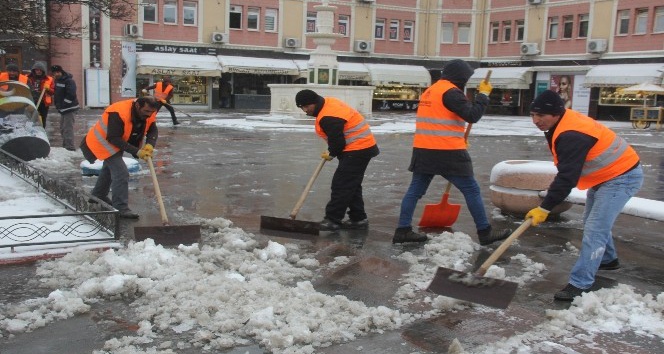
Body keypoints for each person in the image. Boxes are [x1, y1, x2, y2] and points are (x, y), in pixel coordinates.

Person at [525, 90, 643, 301]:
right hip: (605, 175)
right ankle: (608, 260)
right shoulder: (560, 123)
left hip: (621, 177)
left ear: (556, 113)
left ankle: (580, 283)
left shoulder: (572, 134)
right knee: (593, 222)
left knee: (595, 228)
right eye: (533, 115)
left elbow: (567, 178)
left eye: (541, 115)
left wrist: (545, 208)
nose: (536, 120)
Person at [393, 59, 512, 245]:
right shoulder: (451, 92)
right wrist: (483, 95)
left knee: (415, 191)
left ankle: (403, 230)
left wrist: (457, 134)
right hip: (447, 151)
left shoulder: (431, 91)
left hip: (424, 149)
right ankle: (484, 232)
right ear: (460, 77)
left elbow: (439, 119)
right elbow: (473, 115)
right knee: (471, 189)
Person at [295, 89, 379, 231]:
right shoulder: (328, 103)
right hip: (361, 147)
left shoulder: (328, 116)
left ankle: (333, 220)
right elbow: (338, 137)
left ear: (313, 103)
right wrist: (332, 150)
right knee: (351, 185)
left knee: (341, 185)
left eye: (305, 107)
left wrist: (332, 153)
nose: (305, 111)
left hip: (357, 149)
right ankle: (358, 219)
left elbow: (338, 143)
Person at [80, 97, 160, 219]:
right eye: (146, 111)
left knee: (108, 169)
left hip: (116, 141)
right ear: (138, 106)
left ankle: (97, 196)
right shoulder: (118, 112)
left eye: (151, 112)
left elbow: (152, 129)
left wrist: (150, 144)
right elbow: (113, 138)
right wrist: (137, 152)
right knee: (121, 173)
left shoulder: (149, 113)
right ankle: (121, 208)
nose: (149, 115)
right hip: (102, 142)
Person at [51, 65, 79, 151]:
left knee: (67, 128)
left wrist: (64, 104)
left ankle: (70, 147)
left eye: (57, 72)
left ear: (61, 71)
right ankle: (65, 145)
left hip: (69, 108)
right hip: (63, 109)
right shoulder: (57, 81)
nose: (56, 74)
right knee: (63, 128)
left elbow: (71, 94)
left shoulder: (69, 81)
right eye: (54, 73)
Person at [27, 62, 55, 128]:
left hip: (43, 102)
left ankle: (42, 130)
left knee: (43, 118)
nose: (38, 71)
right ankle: (29, 129)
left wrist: (48, 89)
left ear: (43, 71)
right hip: (31, 101)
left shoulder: (49, 79)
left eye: (40, 70)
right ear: (34, 70)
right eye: (37, 70)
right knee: (30, 117)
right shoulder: (27, 78)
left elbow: (53, 92)